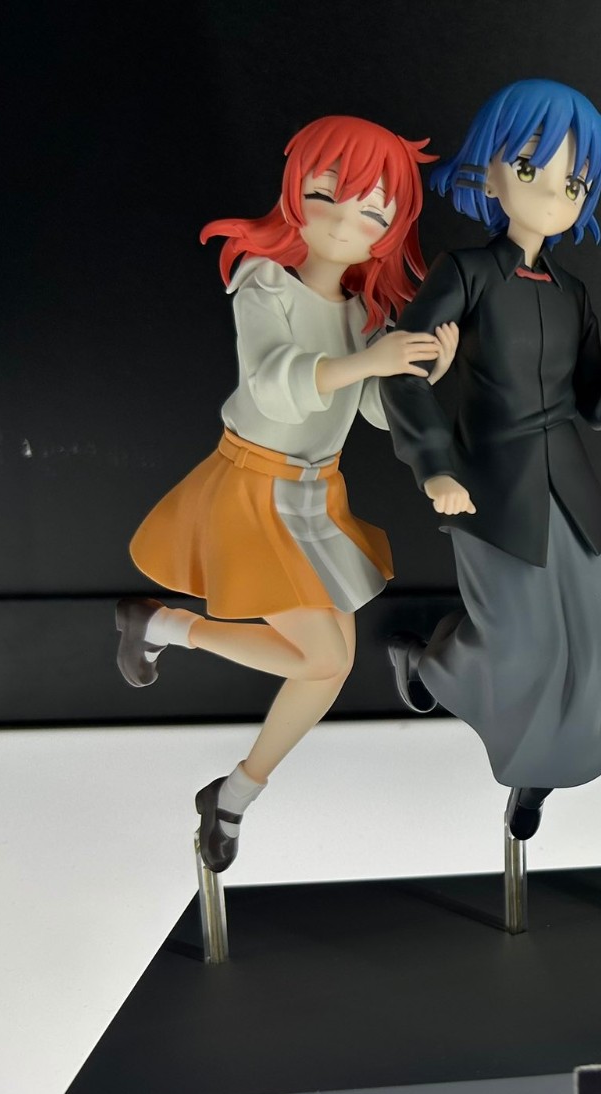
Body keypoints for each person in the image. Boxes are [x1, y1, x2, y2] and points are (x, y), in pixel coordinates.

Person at [117, 115, 455, 872]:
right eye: (327, 196)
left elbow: (372, 413)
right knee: (320, 658)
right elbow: (272, 383)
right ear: (293, 191)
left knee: (330, 666)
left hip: (316, 494)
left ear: (389, 233)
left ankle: (234, 793)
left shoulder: (362, 313)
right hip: (252, 485)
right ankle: (167, 627)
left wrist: (419, 369)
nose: (346, 222)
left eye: (374, 213)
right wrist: (371, 362)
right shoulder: (263, 282)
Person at [381, 79, 601, 842]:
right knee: (523, 648)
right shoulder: (465, 273)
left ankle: (541, 777)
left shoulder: (572, 292)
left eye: (572, 183)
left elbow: (598, 404)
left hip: (570, 491)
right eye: (530, 168)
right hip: (492, 488)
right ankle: (431, 671)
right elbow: (400, 369)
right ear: (489, 173)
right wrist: (433, 464)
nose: (553, 193)